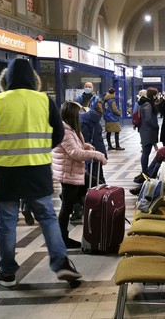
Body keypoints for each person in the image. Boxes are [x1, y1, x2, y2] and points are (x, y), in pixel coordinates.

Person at [0, 58, 82, 287]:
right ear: (34, 81)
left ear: (5, 80)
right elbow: (58, 134)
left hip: (6, 172)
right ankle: (61, 263)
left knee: (6, 222)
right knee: (47, 217)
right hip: (37, 170)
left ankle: (7, 272)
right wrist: (41, 150)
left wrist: (1, 153)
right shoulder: (44, 101)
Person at [52, 102, 107, 248]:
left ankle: (91, 222)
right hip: (68, 173)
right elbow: (74, 153)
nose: (81, 115)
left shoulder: (71, 129)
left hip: (75, 171)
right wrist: (96, 155)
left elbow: (77, 147)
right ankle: (62, 239)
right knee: (66, 207)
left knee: (98, 186)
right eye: (79, 113)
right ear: (72, 115)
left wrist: (86, 146)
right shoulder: (64, 131)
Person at [132, 87, 159, 191]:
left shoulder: (145, 103)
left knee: (146, 151)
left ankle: (145, 171)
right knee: (146, 152)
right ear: (152, 95)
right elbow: (148, 119)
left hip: (146, 131)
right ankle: (144, 172)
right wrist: (155, 126)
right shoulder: (148, 104)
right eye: (155, 94)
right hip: (147, 131)